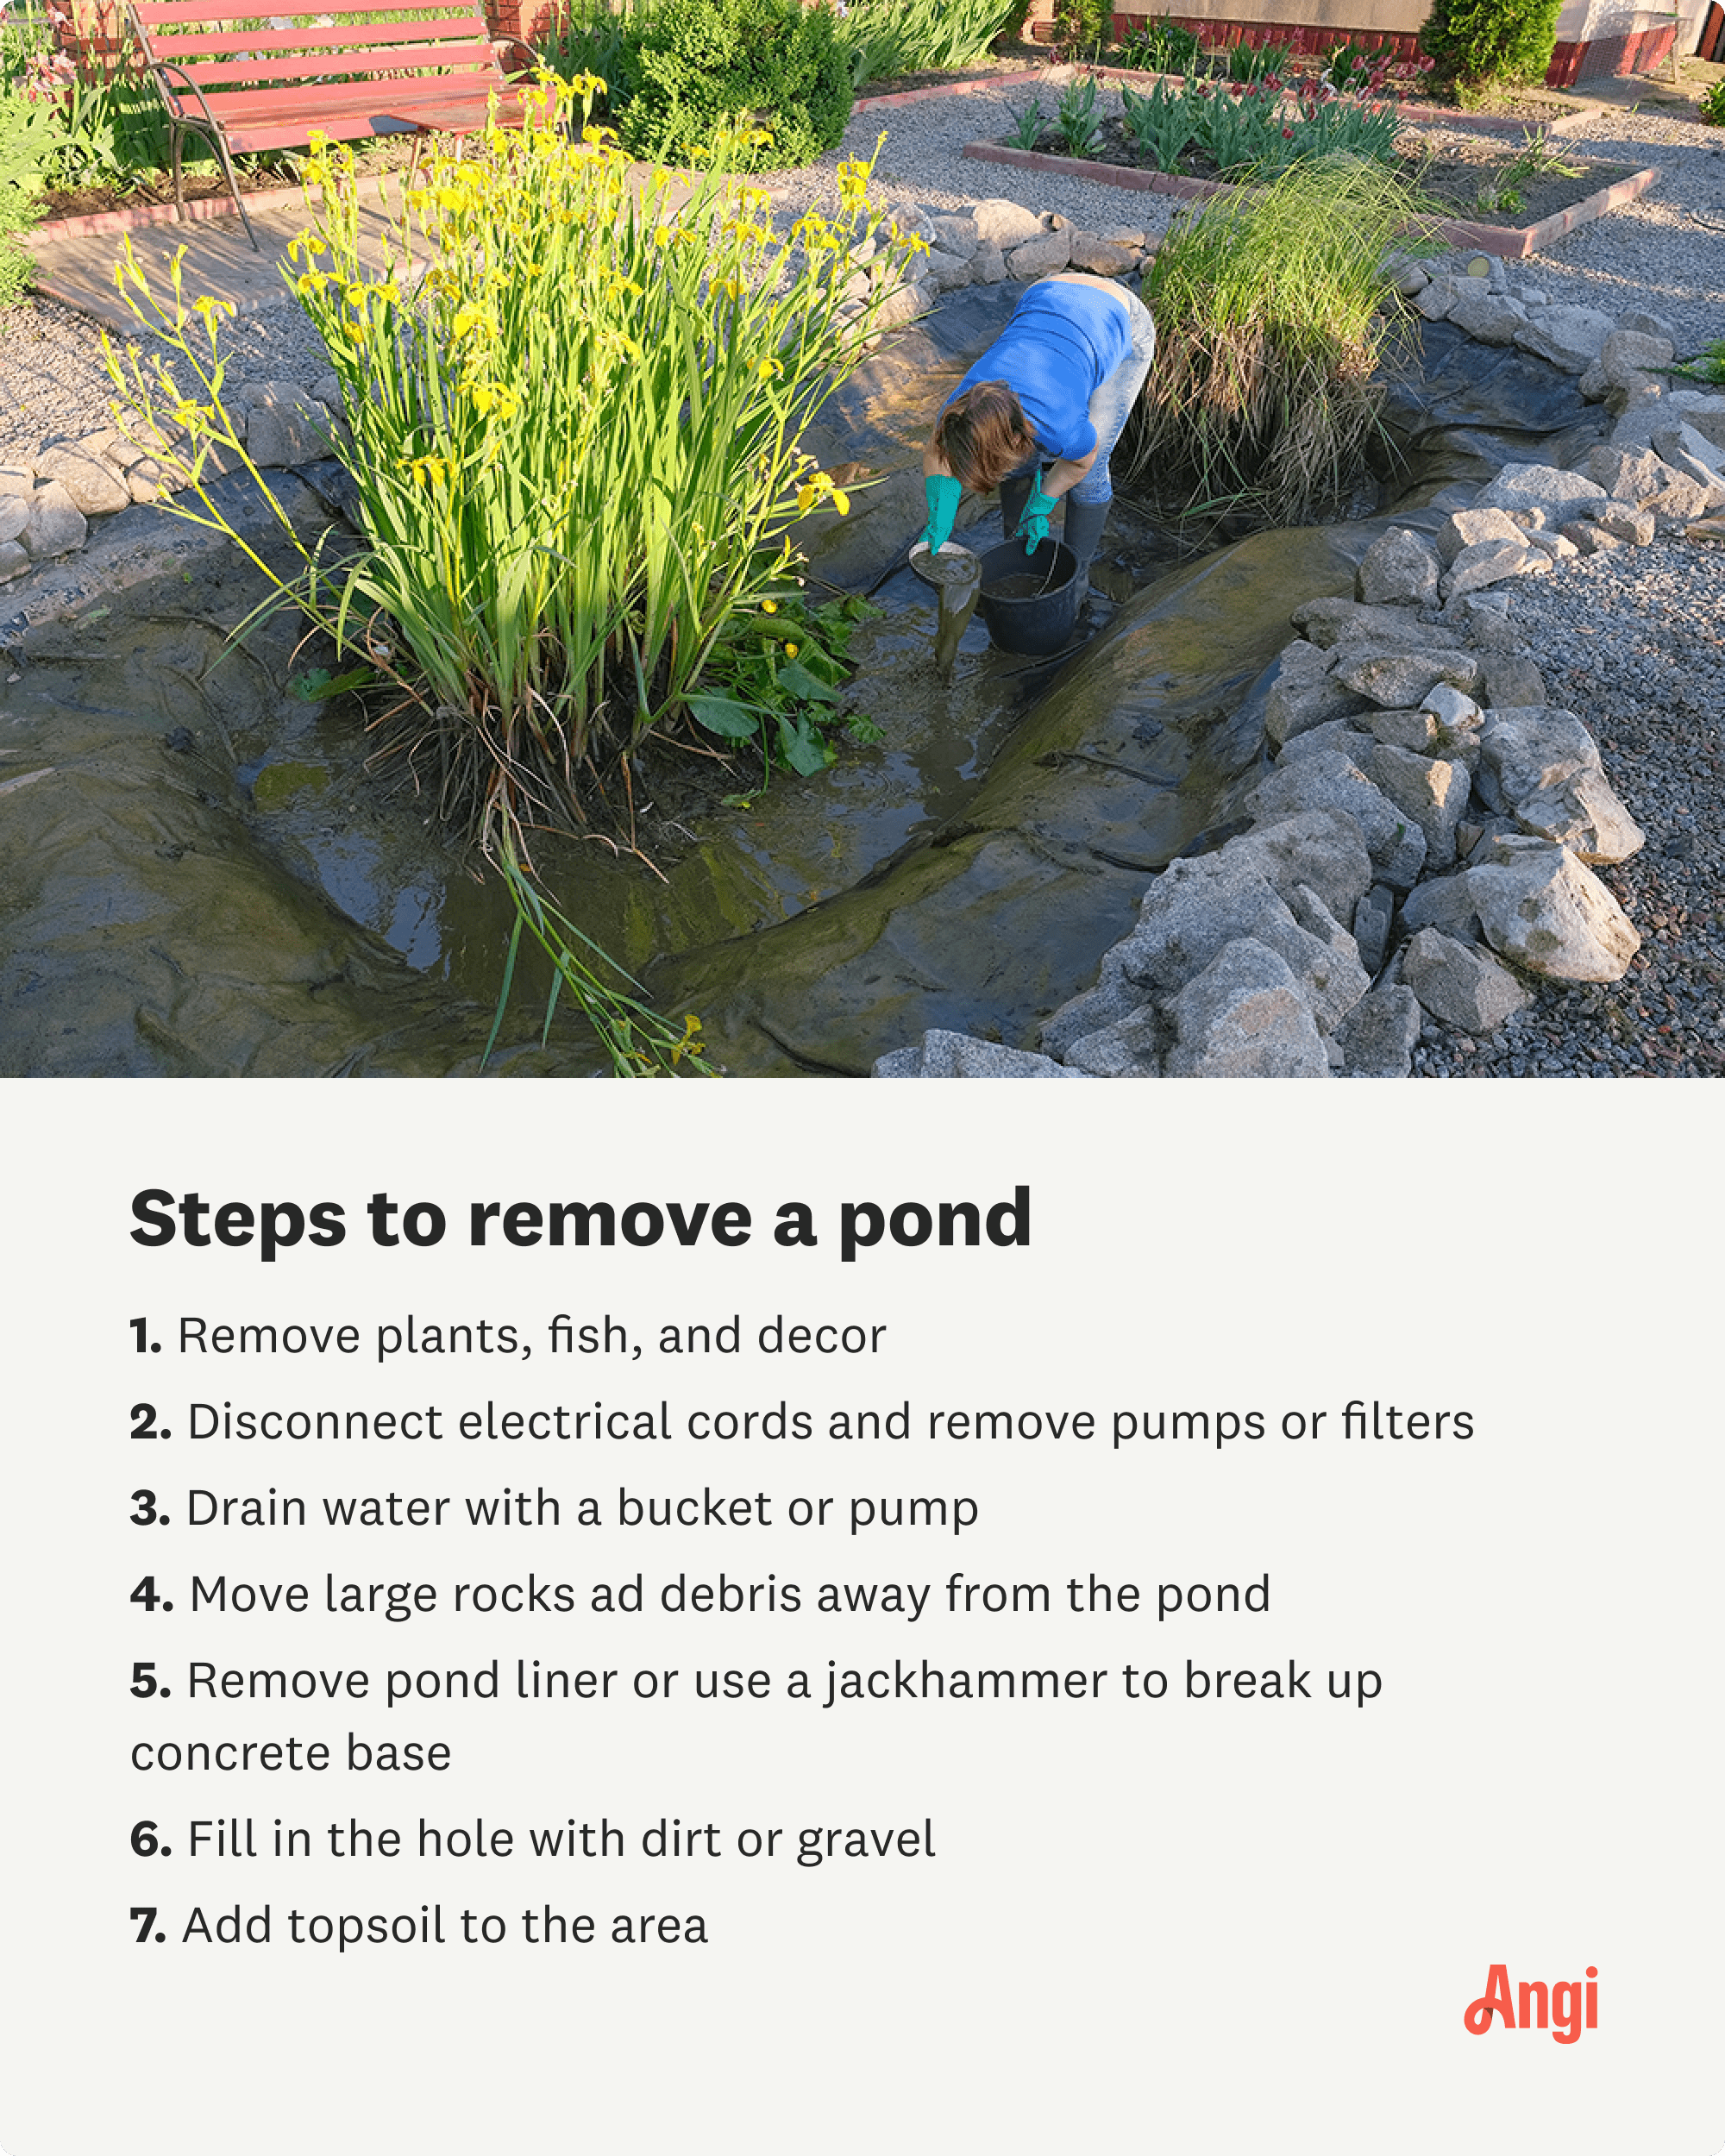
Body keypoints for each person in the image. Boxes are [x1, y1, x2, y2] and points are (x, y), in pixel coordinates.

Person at [918, 271, 1157, 604]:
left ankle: (1077, 583)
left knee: (1091, 476)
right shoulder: (957, 411)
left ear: (1021, 435)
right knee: (1011, 463)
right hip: (1047, 294)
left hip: (1118, 317)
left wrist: (1042, 505)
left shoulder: (1062, 425)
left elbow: (1079, 463)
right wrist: (941, 515)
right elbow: (936, 452)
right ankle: (1015, 544)